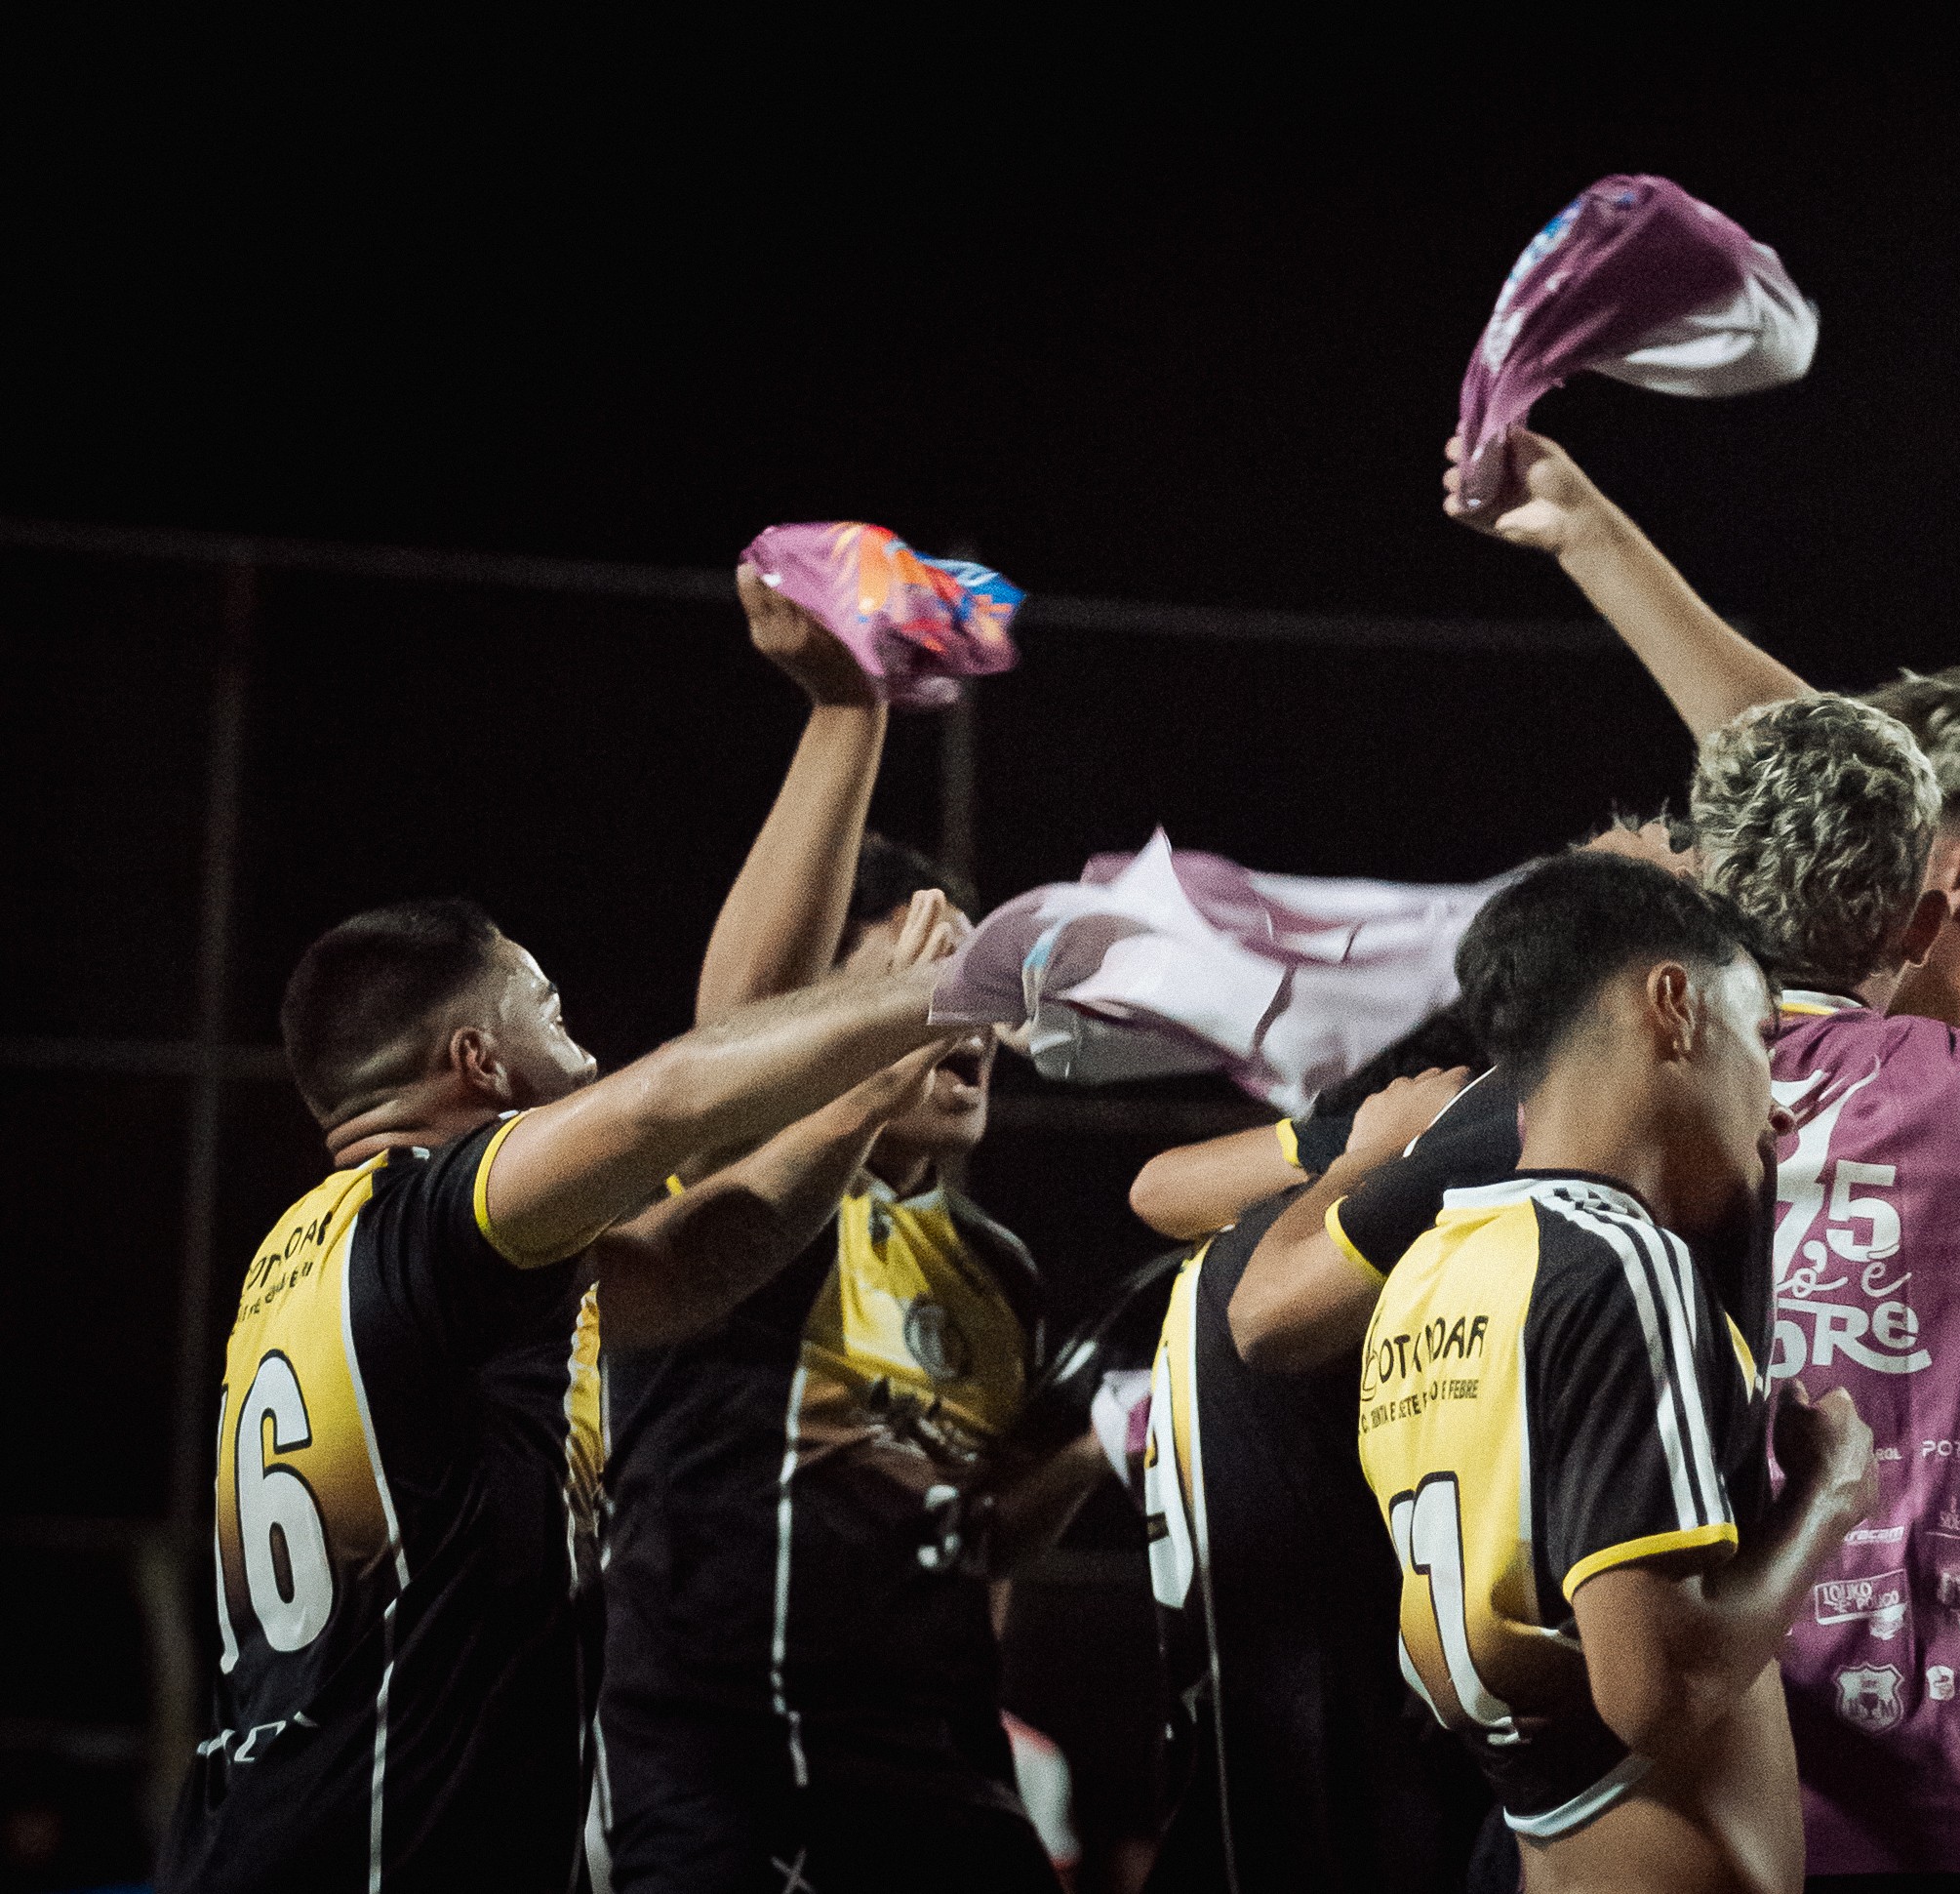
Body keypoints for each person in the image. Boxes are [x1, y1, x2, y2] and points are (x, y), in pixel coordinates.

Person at [1247, 706, 1960, 1889]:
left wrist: (1366, 1153)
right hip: (1930, 1803)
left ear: (1700, 887)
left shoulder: (1559, 1103)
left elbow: (1268, 1316)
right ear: (1919, 927)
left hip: (1642, 1807)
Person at [1443, 423, 1960, 1884]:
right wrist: (1587, 528)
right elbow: (1807, 791)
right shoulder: (1821, 1047)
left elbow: (1819, 796)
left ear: (1951, 874)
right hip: (1846, 1736)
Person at [169, 887, 972, 1891]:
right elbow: (666, 1101)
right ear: (479, 1061)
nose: (584, 1049)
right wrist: (941, 991)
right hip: (388, 1844)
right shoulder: (440, 1206)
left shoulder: (310, 1252)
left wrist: (865, 1097)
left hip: (265, 1821)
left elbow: (689, 1268)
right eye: (546, 1010)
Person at [599, 571, 1116, 1894]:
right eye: (921, 984)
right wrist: (852, 703)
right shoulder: (749, 1200)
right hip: (729, 1770)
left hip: (940, 1770)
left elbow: (983, 1535)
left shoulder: (995, 1272)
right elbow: (737, 1039)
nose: (969, 1024)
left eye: (980, 990)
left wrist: (1117, 1411)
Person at [1351, 851, 1881, 1893]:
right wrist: (1830, 1495)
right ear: (1676, 1007)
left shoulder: (1434, 1267)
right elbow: (1659, 1688)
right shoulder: (1618, 1264)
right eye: (1763, 1038)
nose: (1772, 1095)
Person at [1138, 1048, 1491, 1893]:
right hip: (1336, 1727)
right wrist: (1377, 1151)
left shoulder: (1226, 1251)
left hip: (1228, 1725)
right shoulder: (1333, 1270)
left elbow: (1154, 1187)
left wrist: (1358, 1148)